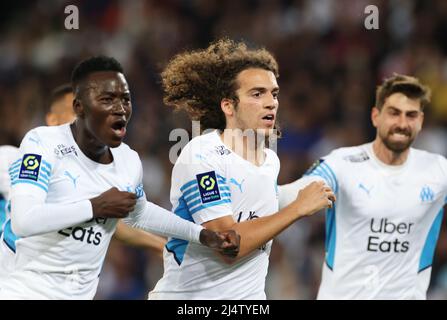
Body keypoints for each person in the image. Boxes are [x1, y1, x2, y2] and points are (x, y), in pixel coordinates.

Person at [0, 56, 240, 300]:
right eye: (107, 99)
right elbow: (24, 221)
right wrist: (96, 207)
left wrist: (201, 234)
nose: (120, 108)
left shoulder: (128, 161)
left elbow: (141, 213)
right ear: (79, 107)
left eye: (125, 99)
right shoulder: (43, 143)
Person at [149, 39, 335, 300]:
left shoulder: (270, 160)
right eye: (257, 94)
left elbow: (262, 200)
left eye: (274, 93)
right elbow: (227, 244)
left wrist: (317, 184)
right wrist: (298, 209)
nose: (271, 102)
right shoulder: (202, 154)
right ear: (228, 106)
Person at [279, 74, 444, 299]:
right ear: (376, 116)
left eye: (411, 115)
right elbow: (295, 191)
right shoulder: (342, 163)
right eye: (394, 113)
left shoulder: (438, 170)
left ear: (421, 121)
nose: (402, 123)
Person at [46, 83, 166, 253]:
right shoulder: (33, 160)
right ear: (52, 119)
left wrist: (162, 247)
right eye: (74, 111)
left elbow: (115, 225)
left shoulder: (86, 167)